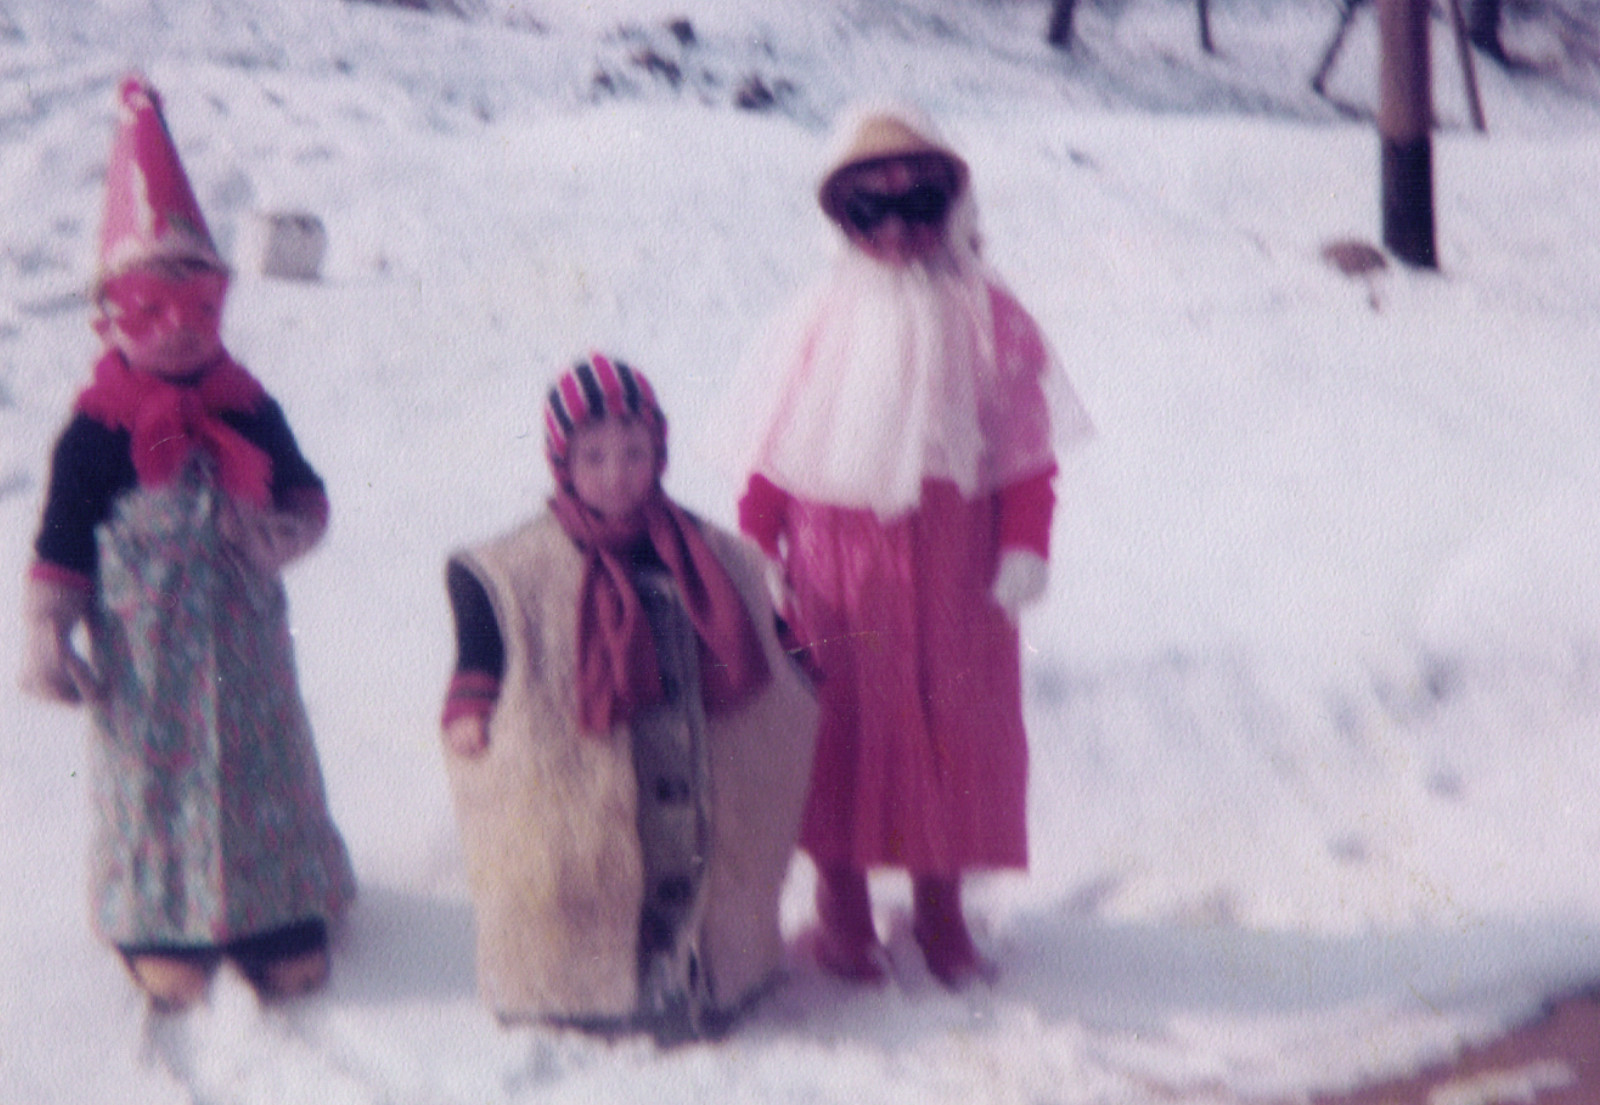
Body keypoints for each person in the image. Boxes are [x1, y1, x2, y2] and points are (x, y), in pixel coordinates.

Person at [731, 106, 1094, 989]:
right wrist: (756, 539)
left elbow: (1024, 447)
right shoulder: (816, 321)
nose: (897, 231)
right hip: (837, 561)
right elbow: (775, 444)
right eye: (871, 212)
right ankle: (842, 905)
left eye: (919, 207)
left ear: (952, 206)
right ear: (843, 220)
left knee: (953, 727)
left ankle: (940, 907)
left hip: (955, 561)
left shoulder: (990, 318)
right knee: (841, 725)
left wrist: (1025, 542)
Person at [19, 75, 355, 1012]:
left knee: (263, 774)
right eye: (150, 313)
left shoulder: (246, 403)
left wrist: (287, 529)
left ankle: (277, 908)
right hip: (146, 671)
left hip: (248, 659)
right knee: (155, 790)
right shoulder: (95, 432)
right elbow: (59, 548)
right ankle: (157, 917)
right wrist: (49, 627)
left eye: (198, 312)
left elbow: (306, 490)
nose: (177, 336)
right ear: (111, 316)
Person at [439, 354, 817, 1041]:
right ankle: (590, 989)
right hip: (589, 779)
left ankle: (698, 974)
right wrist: (469, 707)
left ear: (659, 452)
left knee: (699, 865)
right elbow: (481, 653)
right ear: (563, 461)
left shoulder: (715, 556)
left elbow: (771, 635)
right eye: (595, 455)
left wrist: (804, 676)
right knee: (598, 873)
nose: (617, 473)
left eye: (634, 452)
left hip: (698, 776)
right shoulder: (519, 565)